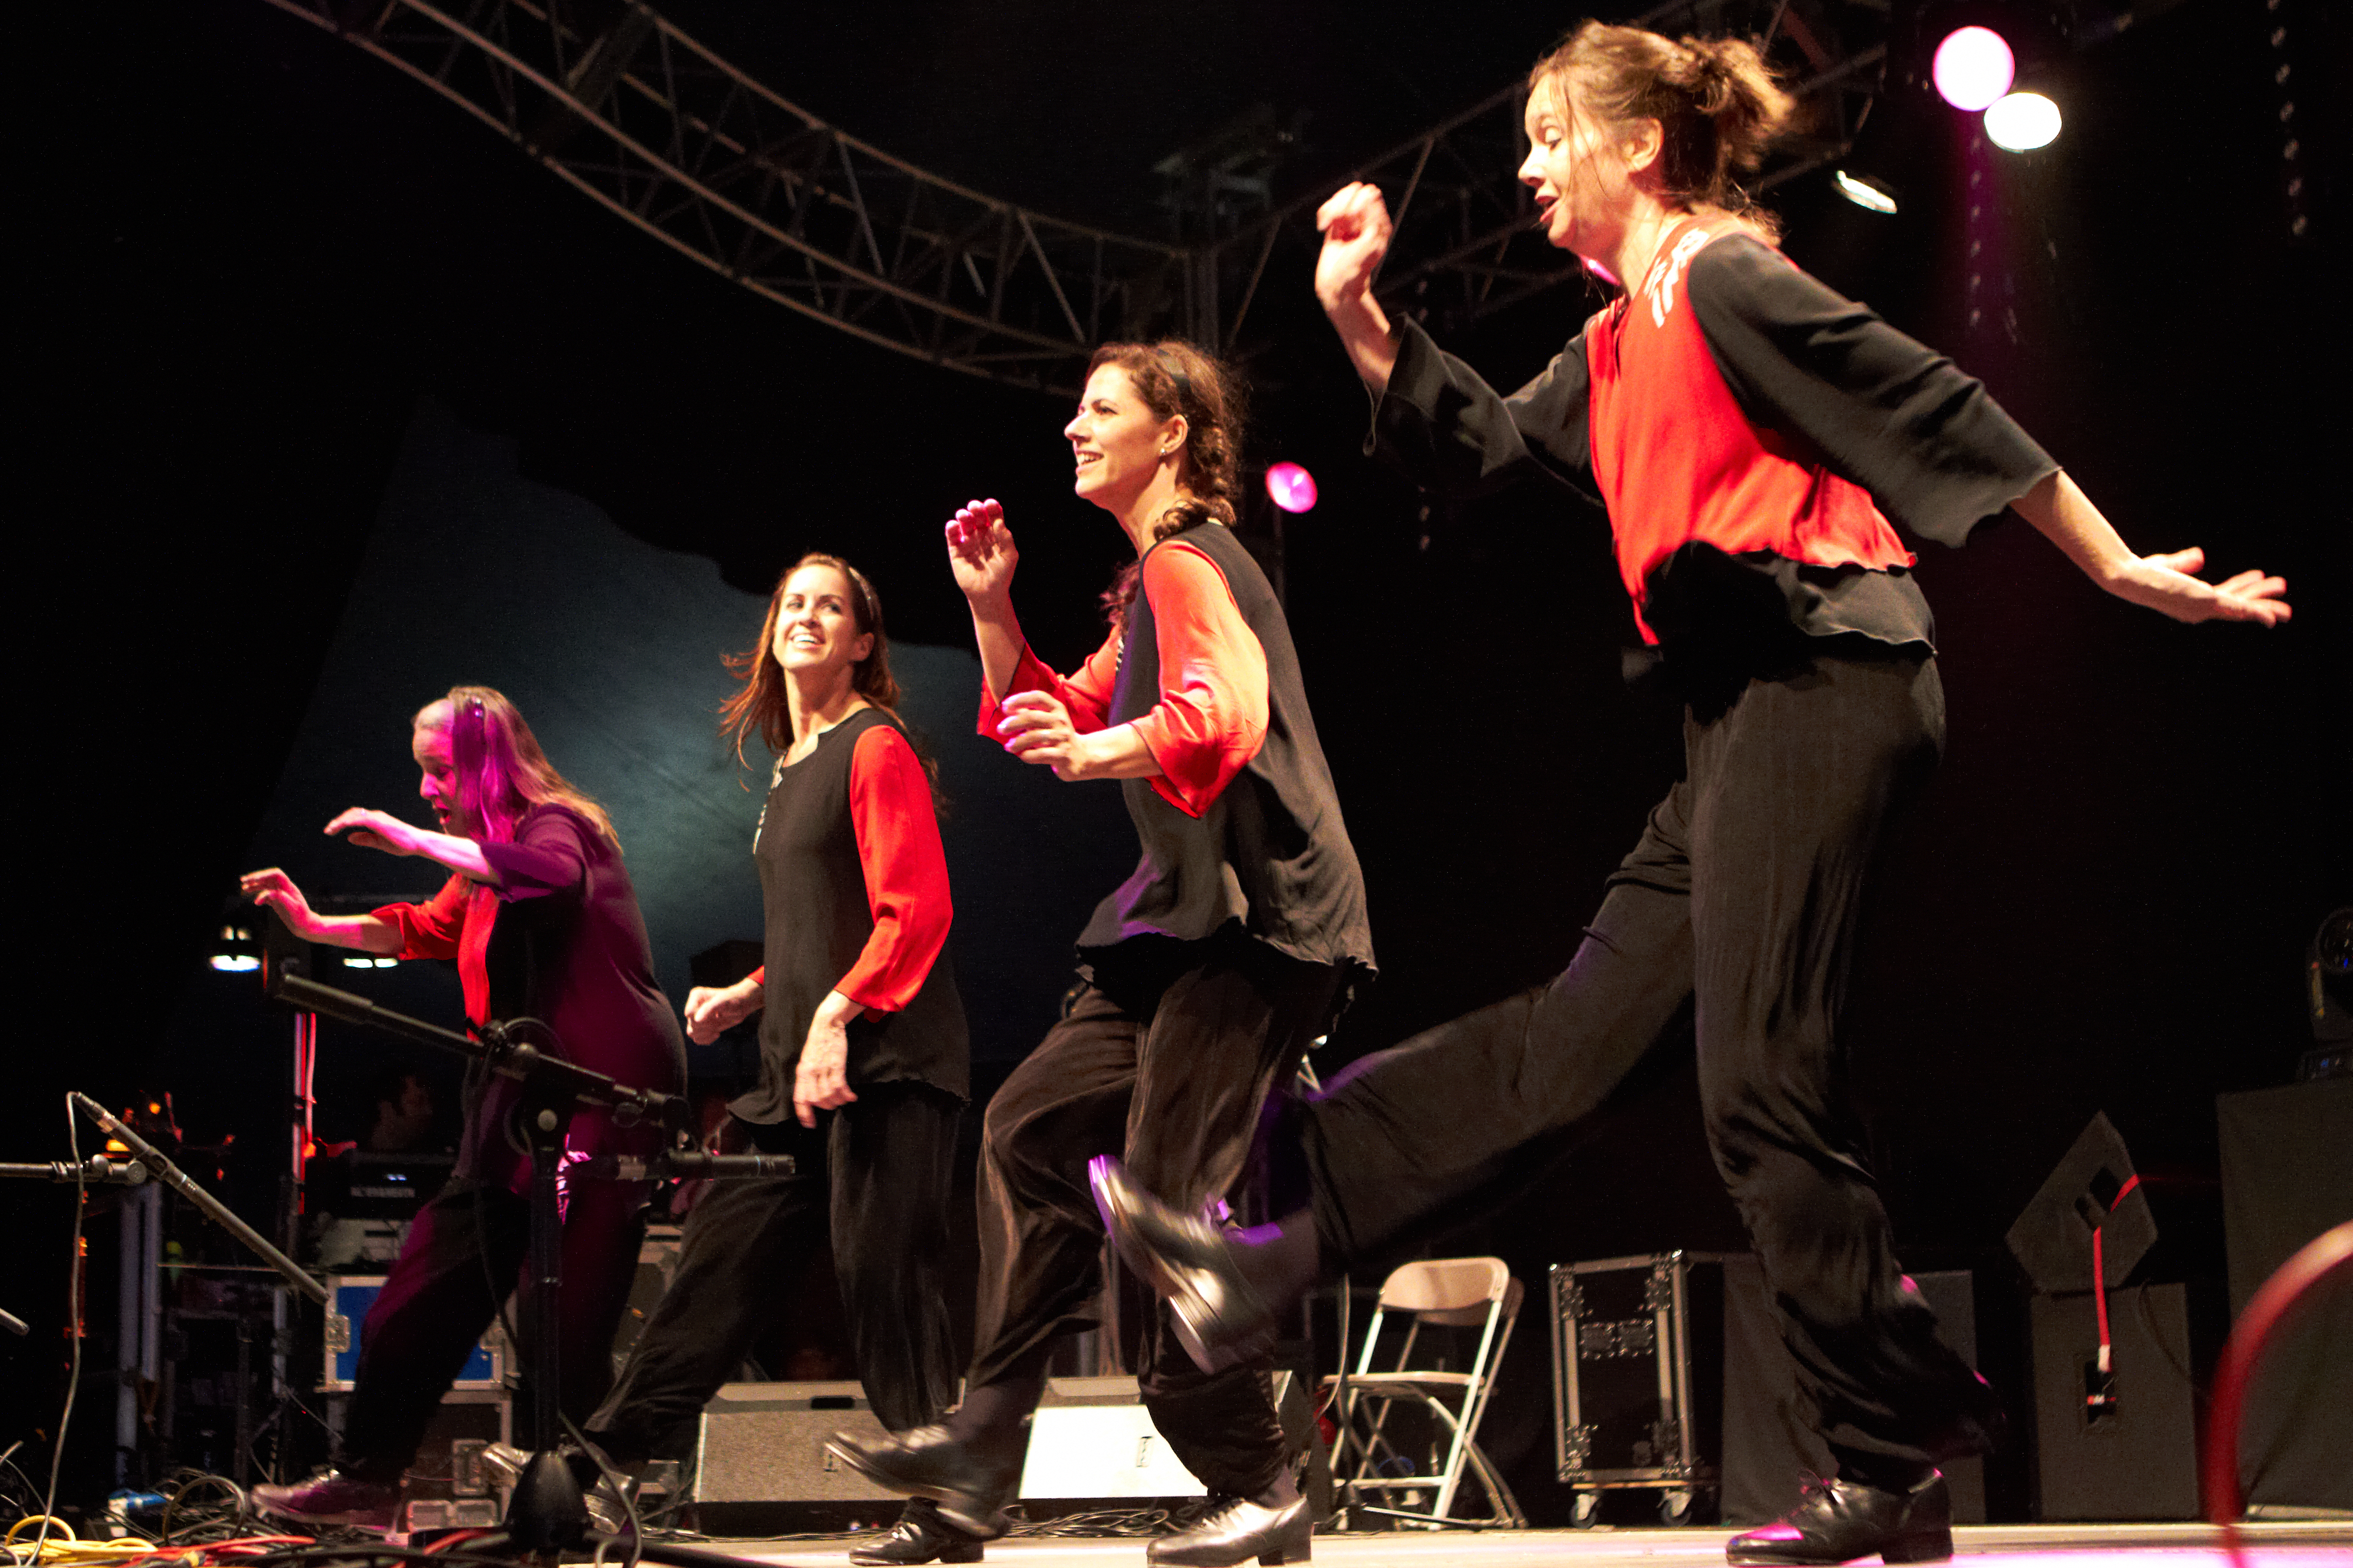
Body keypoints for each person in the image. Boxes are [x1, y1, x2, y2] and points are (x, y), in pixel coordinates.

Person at [1092, 20, 2291, 1568]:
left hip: (1829, 673)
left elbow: (1932, 402)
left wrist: (2116, 564)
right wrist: (1356, 312)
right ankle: (1270, 1255)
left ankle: (1891, 1439)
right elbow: (1480, 440)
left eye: (1546, 136)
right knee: (1571, 1039)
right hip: (1734, 711)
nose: (1524, 166)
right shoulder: (1608, 343)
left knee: (1757, 1082)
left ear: (1636, 147)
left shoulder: (1719, 277)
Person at [829, 341, 1374, 1568]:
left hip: (1253, 923)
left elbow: (1217, 717)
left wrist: (1099, 749)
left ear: (1171, 434)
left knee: (1162, 1209)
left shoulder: (1189, 561)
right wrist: (989, 606)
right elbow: (1065, 709)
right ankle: (978, 1455)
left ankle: (1260, 1477)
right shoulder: (1149, 584)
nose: (1074, 428)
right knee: (1025, 1130)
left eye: (1102, 410)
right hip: (1173, 926)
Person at [577, 555, 978, 1568]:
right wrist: (754, 991)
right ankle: (590, 1471)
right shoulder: (796, 767)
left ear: (863, 641)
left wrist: (839, 1013)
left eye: (829, 605)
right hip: (794, 1070)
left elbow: (916, 909)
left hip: (885, 1061)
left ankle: (951, 1505)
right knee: (717, 1268)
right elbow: (821, 917)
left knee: (884, 1280)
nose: (805, 616)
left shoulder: (872, 745)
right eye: (792, 603)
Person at [244, 686, 687, 1530]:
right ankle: (370, 1480)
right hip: (518, 1094)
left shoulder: (561, 827)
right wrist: (311, 924)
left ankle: (573, 1496)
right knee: (421, 1288)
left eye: (438, 771)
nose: (425, 791)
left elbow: (551, 882)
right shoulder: (481, 862)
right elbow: (420, 928)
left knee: (572, 1314)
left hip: (601, 1093)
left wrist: (413, 842)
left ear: (488, 764)